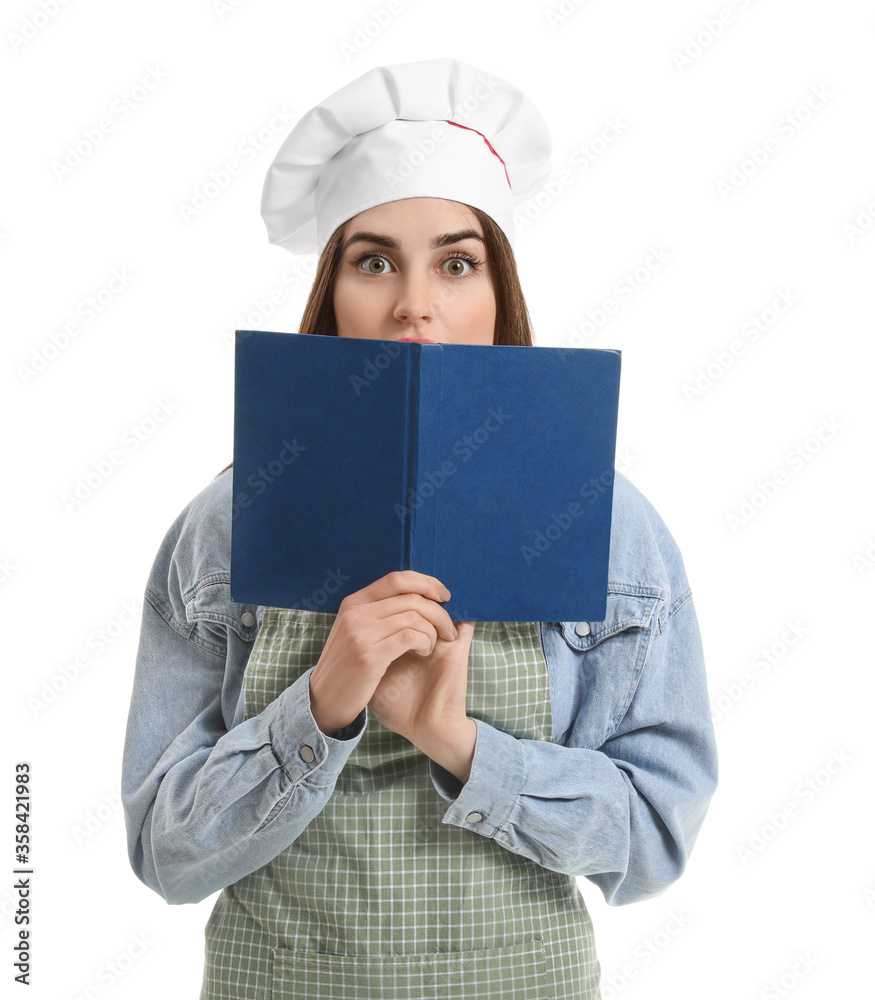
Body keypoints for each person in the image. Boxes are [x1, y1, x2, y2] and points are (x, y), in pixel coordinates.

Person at [122, 58, 719, 1000]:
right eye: (373, 261)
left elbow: (654, 841)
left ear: (496, 292)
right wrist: (322, 704)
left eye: (454, 261)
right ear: (330, 296)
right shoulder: (225, 523)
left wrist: (458, 742)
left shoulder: (606, 522)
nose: (415, 303)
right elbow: (166, 854)